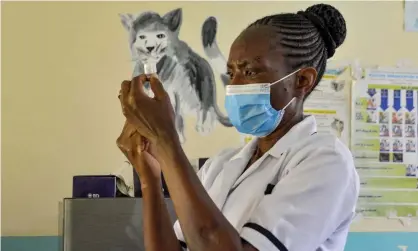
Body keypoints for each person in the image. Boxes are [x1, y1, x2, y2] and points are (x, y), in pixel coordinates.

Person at [117, 3, 359, 251]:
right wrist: (149, 177)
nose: (234, 86)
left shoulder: (326, 162)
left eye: (250, 71)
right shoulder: (222, 165)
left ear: (302, 80)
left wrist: (167, 138)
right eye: (231, 73)